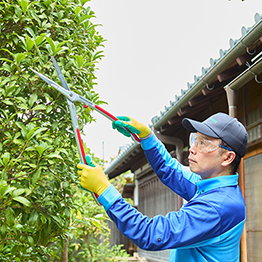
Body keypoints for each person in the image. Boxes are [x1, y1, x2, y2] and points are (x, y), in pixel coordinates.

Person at [77, 112, 248, 262]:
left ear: (227, 158)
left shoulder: (218, 206)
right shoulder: (210, 185)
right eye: (194, 139)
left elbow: (150, 234)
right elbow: (170, 170)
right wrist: (147, 137)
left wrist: (104, 190)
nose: (193, 149)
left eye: (204, 143)